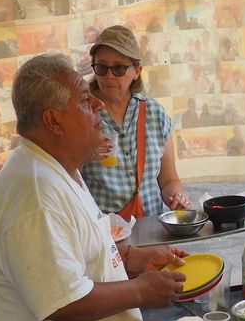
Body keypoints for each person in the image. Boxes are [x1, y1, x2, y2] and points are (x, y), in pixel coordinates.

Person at [0, 54, 188, 321]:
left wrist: (127, 259)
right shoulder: (35, 192)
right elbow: (63, 301)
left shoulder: (59, 168)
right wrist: (141, 291)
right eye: (85, 100)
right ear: (54, 121)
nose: (97, 106)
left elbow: (68, 254)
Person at [81, 26, 189, 217]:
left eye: (119, 68)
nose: (109, 76)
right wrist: (83, 155)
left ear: (137, 71)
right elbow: (66, 181)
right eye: (102, 67)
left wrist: (177, 197)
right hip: (106, 238)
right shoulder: (81, 115)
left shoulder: (155, 114)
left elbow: (169, 181)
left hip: (153, 233)